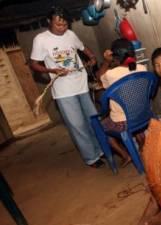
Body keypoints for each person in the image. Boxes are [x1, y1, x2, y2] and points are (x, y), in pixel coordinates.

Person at [30, 6, 104, 168]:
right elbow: (34, 64)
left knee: (92, 120)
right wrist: (52, 70)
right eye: (58, 25)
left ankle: (100, 150)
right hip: (63, 91)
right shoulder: (41, 39)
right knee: (77, 125)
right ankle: (91, 157)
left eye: (65, 25)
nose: (63, 28)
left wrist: (91, 57)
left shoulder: (70, 34)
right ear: (49, 22)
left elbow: (83, 47)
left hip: (82, 84)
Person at [96, 38, 147, 167]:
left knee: (101, 126)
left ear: (115, 58)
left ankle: (125, 155)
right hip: (143, 115)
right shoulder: (142, 68)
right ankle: (142, 146)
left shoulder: (111, 74)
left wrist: (106, 62)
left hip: (122, 122)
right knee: (132, 114)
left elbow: (99, 78)